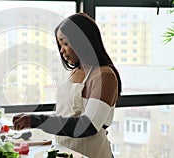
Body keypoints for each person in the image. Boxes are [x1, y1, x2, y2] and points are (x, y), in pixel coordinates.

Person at [12, 12, 122, 158]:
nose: (61, 49)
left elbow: (88, 125)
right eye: (59, 44)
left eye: (65, 43)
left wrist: (36, 120)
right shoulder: (76, 72)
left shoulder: (104, 76)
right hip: (64, 151)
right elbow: (65, 115)